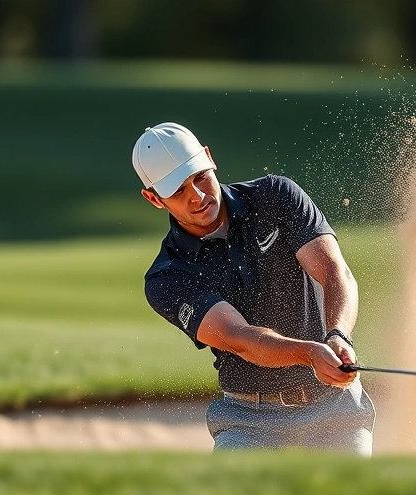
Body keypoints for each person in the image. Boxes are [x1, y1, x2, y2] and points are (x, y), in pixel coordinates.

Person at [132, 122, 375, 455]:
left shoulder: (275, 195)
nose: (198, 197)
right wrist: (309, 353)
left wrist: (338, 336)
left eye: (200, 177)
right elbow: (239, 338)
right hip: (249, 422)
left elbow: (334, 272)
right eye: (177, 191)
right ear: (153, 199)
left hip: (334, 409)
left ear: (209, 157)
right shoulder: (168, 276)